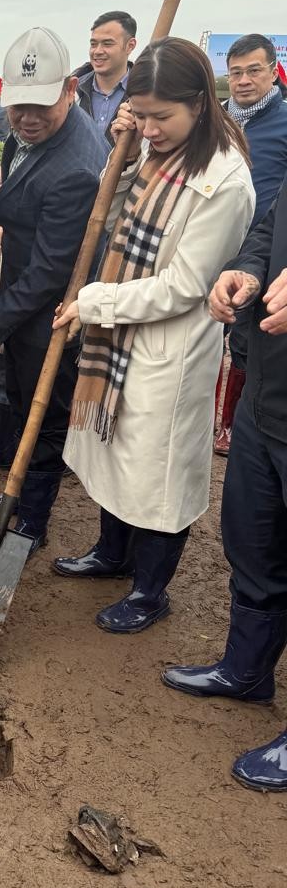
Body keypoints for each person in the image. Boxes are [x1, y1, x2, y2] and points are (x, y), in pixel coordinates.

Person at [52, 38, 254, 634]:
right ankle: (113, 554)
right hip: (121, 339)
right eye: (140, 113)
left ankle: (150, 590)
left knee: (158, 472)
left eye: (161, 117)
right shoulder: (153, 154)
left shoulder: (223, 180)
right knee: (113, 453)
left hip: (172, 348)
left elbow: (183, 286)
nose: (150, 126)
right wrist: (123, 153)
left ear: (200, 103)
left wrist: (93, 301)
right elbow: (112, 221)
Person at [161, 178, 287, 790]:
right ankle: (247, 669)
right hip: (268, 392)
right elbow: (270, 230)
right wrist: (247, 270)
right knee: (251, 537)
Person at [0, 28, 108, 549]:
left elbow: (52, 270)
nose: (26, 119)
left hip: (49, 306)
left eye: (39, 107)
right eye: (17, 106)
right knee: (20, 395)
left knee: (43, 409)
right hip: (23, 292)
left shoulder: (75, 168)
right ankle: (15, 485)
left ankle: (32, 518)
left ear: (70, 89)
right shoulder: (21, 137)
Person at [214, 34, 287, 454]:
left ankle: (233, 423)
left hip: (257, 259)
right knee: (205, 334)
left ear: (273, 72)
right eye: (236, 72)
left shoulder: (283, 124)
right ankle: (209, 413)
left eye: (253, 71)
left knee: (245, 344)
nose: (243, 80)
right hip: (213, 248)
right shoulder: (217, 121)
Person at [76, 11, 137, 141]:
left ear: (130, 46)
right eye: (93, 44)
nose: (97, 51)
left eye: (107, 44)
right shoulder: (72, 94)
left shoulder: (145, 94)